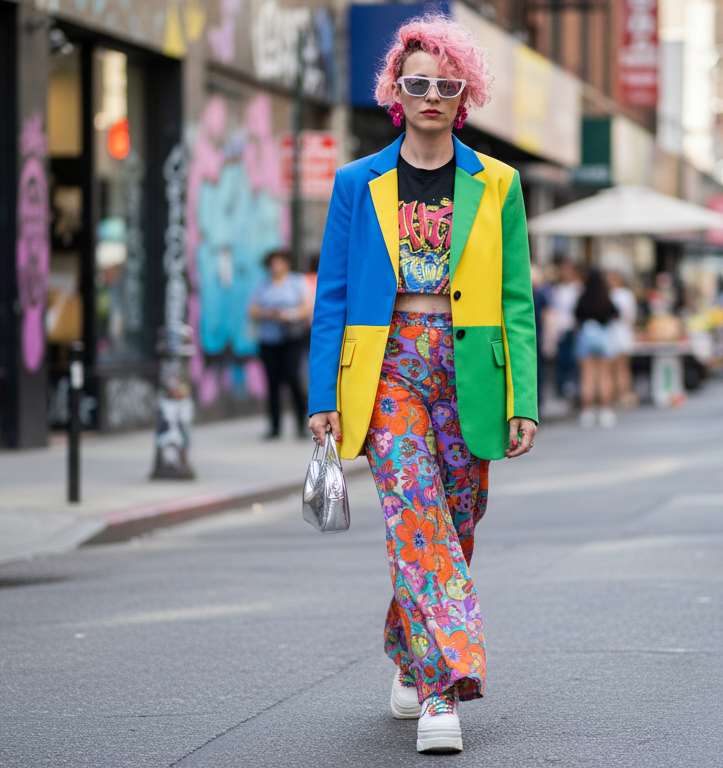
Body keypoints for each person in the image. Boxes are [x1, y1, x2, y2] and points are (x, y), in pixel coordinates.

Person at [306, 15, 537, 754]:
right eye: (417, 83)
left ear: (465, 92)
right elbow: (333, 297)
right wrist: (323, 396)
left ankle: (408, 650)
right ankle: (444, 687)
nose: (431, 95)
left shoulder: (499, 184)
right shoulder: (356, 183)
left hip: (470, 368)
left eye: (446, 83)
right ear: (394, 92)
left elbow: (515, 301)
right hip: (387, 368)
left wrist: (522, 398)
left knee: (455, 523)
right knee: (414, 515)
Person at [249, 250, 311, 439]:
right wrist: (270, 314)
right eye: (273, 263)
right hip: (268, 339)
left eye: (279, 262)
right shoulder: (263, 285)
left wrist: (289, 314)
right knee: (272, 383)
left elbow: (307, 307)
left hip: (290, 338)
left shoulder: (296, 282)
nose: (276, 267)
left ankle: (301, 423)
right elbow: (252, 310)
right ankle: (274, 426)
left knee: (293, 379)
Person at [575, 268, 620, 428]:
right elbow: (616, 314)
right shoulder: (606, 296)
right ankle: (605, 411)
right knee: (604, 376)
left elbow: (576, 316)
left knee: (587, 377)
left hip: (585, 336)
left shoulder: (583, 297)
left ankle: (587, 412)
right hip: (603, 336)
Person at [550, 259, 583, 399]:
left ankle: (574, 389)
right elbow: (554, 310)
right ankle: (562, 388)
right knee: (562, 360)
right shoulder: (557, 289)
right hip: (561, 328)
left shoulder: (577, 288)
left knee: (574, 360)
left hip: (574, 327)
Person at [607, 271, 639, 407]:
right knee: (615, 368)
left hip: (618, 333)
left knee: (621, 367)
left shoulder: (622, 294)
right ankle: (619, 394)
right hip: (616, 334)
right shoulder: (621, 295)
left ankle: (622, 394)